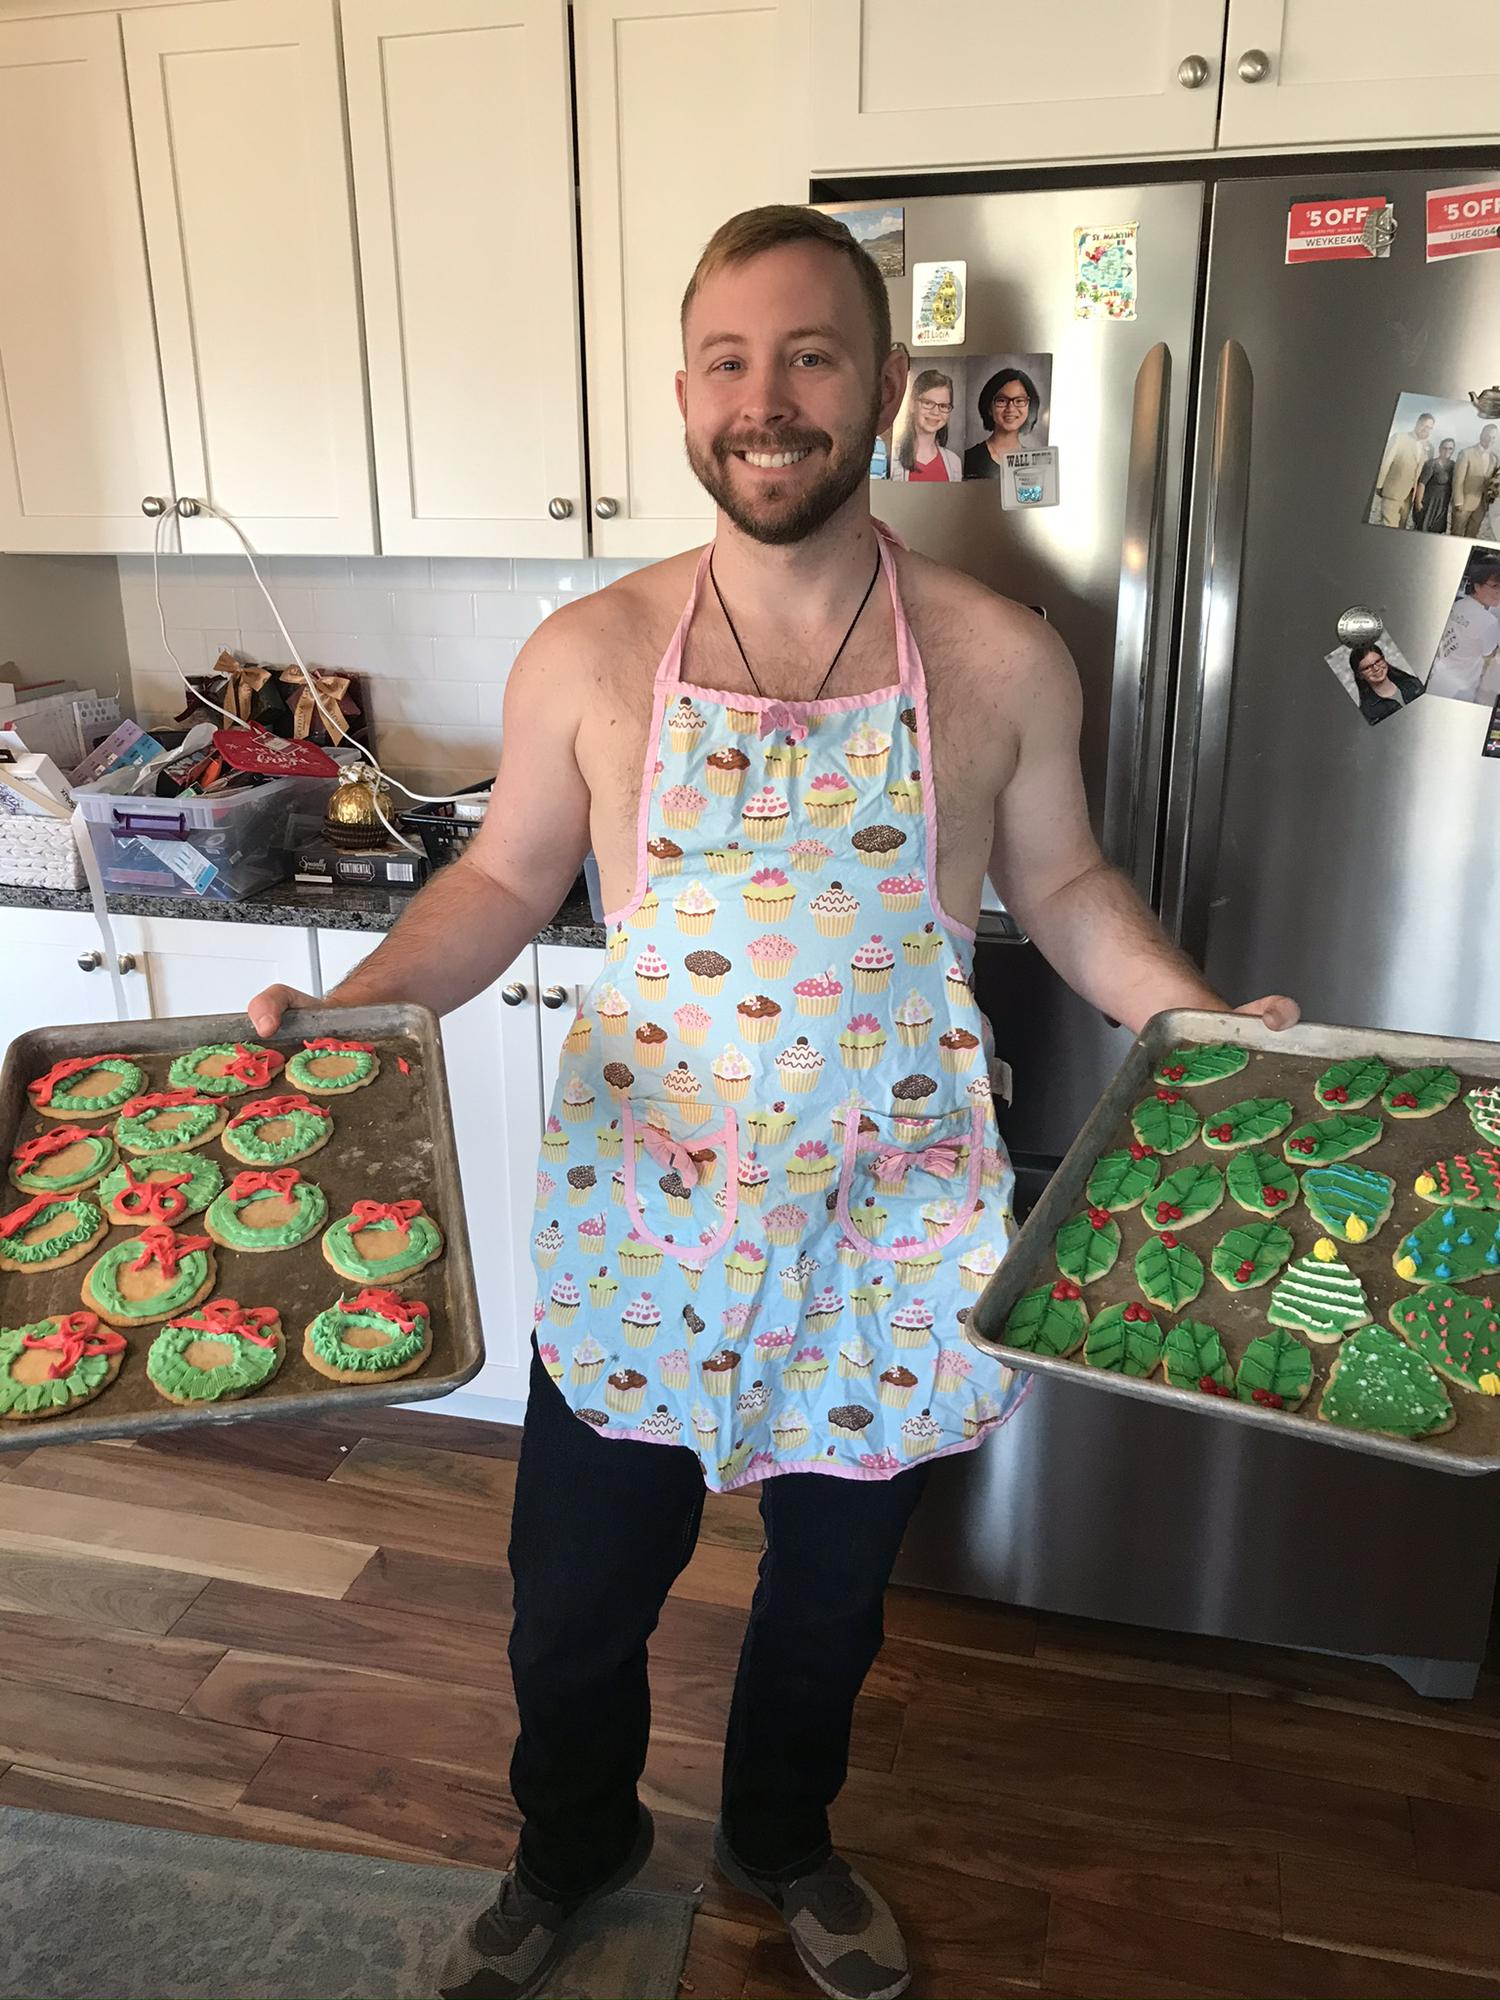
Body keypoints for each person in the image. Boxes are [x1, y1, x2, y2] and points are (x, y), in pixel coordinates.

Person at [247, 204, 1297, 2000]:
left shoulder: (996, 655)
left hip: (892, 1226)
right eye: (730, 361)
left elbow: (1056, 890)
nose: (768, 398)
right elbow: (500, 882)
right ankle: (572, 1841)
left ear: (884, 390)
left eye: (811, 355)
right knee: (572, 1606)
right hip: (646, 1221)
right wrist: (350, 1014)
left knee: (825, 1610)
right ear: (683, 396)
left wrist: (1203, 1029)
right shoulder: (590, 652)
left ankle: (779, 1837)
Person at [1427, 561, 1500, 702]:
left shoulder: (1458, 605)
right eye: (1495, 586)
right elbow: (1489, 656)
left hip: (1437, 678)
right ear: (1477, 586)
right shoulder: (1488, 620)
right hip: (1460, 689)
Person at [962, 366, 1041, 480]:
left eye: (1019, 401)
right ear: (989, 407)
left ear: (1030, 407)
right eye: (1002, 400)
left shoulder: (1036, 463)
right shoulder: (969, 459)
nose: (1011, 408)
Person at [887, 368, 960, 482]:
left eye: (943, 406)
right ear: (911, 405)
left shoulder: (954, 462)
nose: (935, 412)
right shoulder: (892, 458)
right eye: (928, 403)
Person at [1372, 411, 1434, 528]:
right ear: (1417, 423)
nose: (1426, 429)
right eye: (1425, 426)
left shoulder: (1429, 448)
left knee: (1401, 528)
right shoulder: (1399, 438)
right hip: (1393, 492)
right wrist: (1379, 485)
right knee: (1388, 527)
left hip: (1410, 497)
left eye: (1430, 428)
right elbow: (1386, 462)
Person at [1350, 642, 1425, 724]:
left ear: (1384, 660)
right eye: (1367, 667)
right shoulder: (1367, 714)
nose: (1376, 668)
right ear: (1359, 675)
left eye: (1378, 661)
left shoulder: (1414, 684)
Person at [1450, 423, 1498, 538]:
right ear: (1481, 435)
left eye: (1493, 437)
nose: (1490, 440)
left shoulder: (1494, 458)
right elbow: (1458, 479)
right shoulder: (1466, 453)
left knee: (1472, 535)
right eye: (1489, 436)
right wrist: (1458, 502)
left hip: (1481, 506)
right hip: (1464, 504)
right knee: (1456, 535)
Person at [1413, 437, 1455, 533]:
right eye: (1445, 448)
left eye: (1450, 448)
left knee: (1437, 530)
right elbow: (1422, 483)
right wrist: (1418, 502)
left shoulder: (1453, 465)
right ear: (1440, 448)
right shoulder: (1432, 464)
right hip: (1429, 502)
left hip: (1443, 504)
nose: (1447, 451)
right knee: (1424, 527)